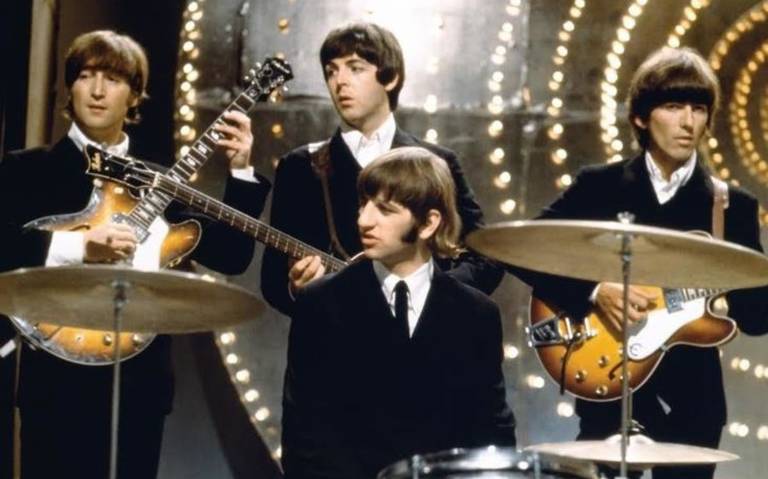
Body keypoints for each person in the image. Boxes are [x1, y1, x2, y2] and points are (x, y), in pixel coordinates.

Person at [0, 30, 270, 478]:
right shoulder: (25, 170)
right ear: (69, 89)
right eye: (85, 76)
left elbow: (232, 254)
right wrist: (80, 246)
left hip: (139, 387)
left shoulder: (161, 181)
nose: (98, 90)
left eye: (113, 78)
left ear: (135, 95)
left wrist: (240, 169)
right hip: (54, 383)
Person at [516, 46, 768, 479]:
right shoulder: (600, 185)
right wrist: (595, 291)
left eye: (699, 109)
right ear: (640, 117)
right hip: (608, 379)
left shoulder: (732, 207)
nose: (688, 122)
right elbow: (524, 248)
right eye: (673, 106)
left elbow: (755, 319)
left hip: (693, 403)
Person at [281, 146, 516, 479]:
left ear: (428, 223)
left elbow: (492, 435)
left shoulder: (476, 314)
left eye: (385, 210)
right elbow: (304, 441)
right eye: (364, 204)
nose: (364, 220)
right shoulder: (320, 302)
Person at [261, 22, 502, 316]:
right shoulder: (299, 167)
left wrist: (433, 296)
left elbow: (486, 258)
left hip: (422, 340)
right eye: (331, 71)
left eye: (355, 68)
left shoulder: (437, 161)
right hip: (332, 338)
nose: (340, 82)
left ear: (390, 77)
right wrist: (298, 290)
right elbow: (272, 282)